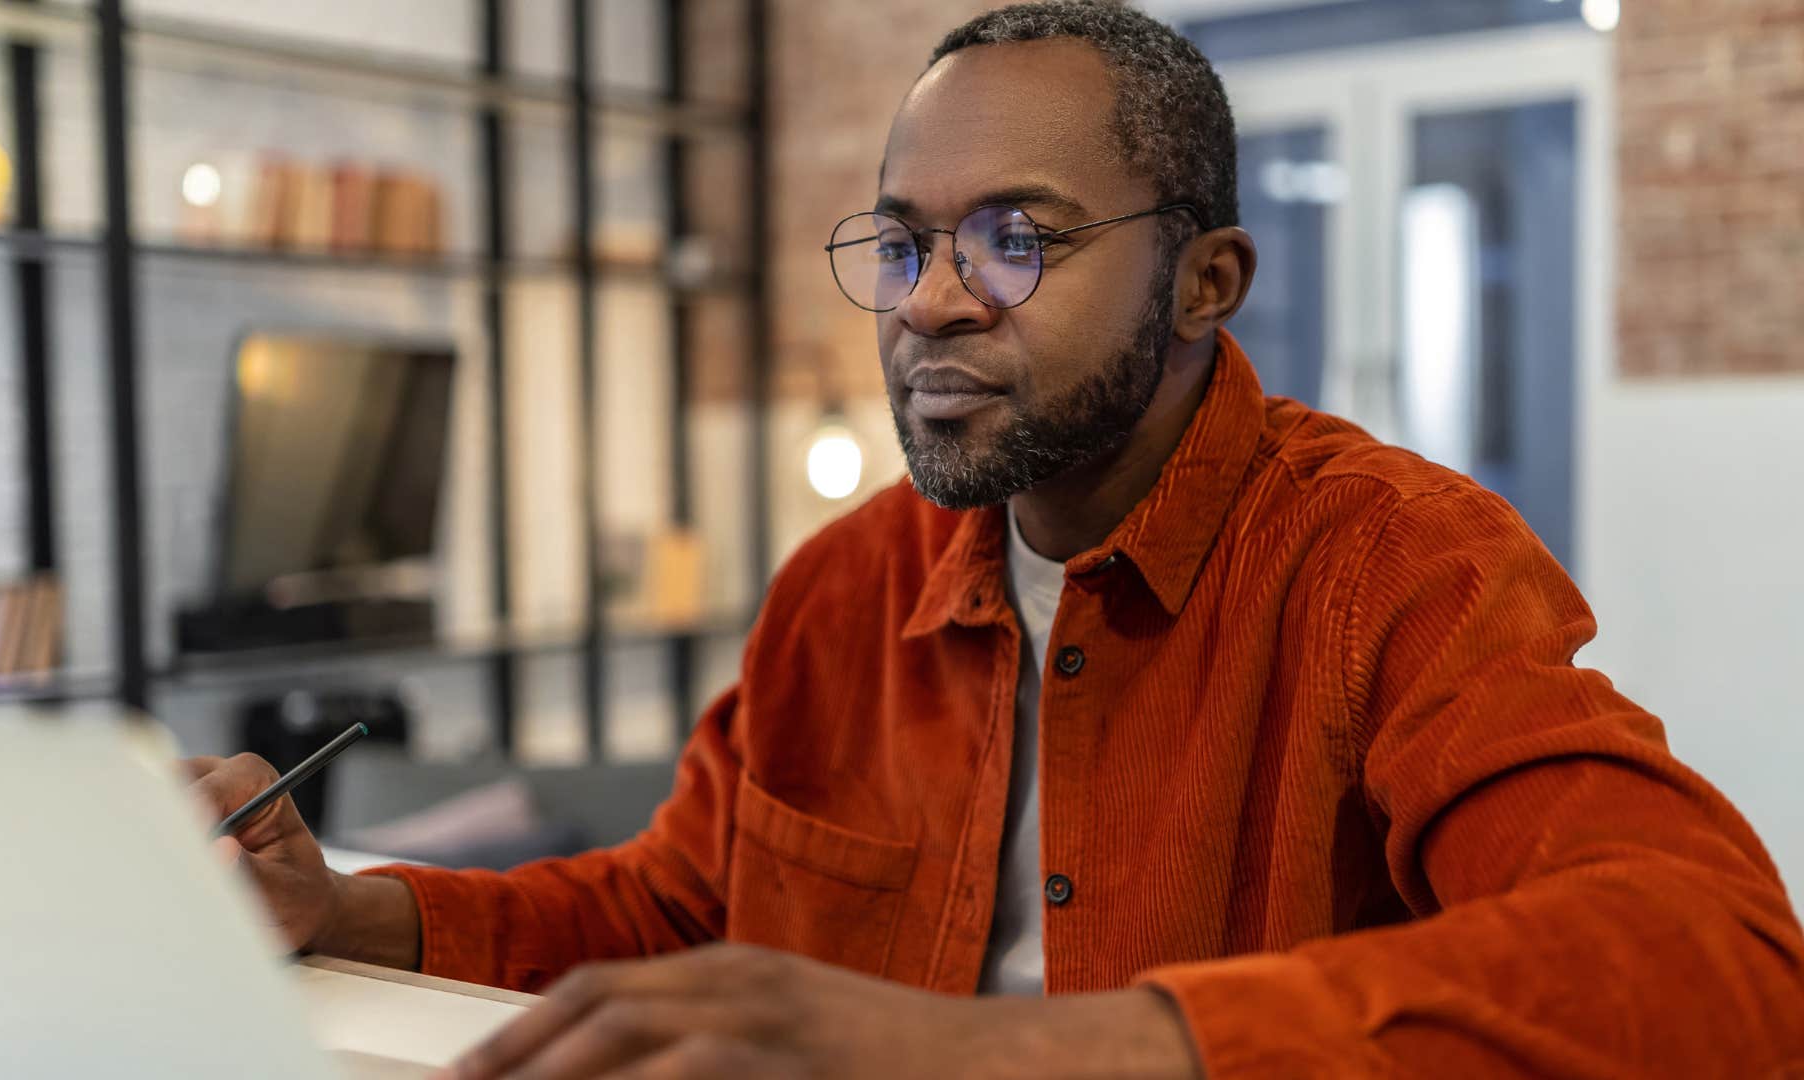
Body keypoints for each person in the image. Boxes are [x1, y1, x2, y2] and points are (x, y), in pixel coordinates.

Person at [190, 4, 1804, 1076]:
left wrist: (1003, 1050)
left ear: (1206, 282)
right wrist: (351, 911)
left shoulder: (1390, 567)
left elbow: (1716, 966)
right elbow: (678, 908)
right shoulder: (844, 588)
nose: (933, 302)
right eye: (902, 245)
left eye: (1016, 239)